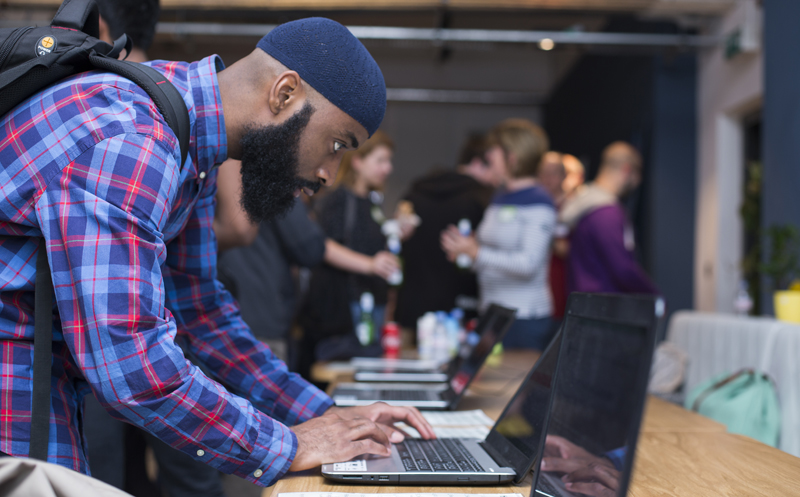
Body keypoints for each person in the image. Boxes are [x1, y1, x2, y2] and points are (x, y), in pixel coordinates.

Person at [0, 17, 435, 486]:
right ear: (284, 93)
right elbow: (130, 366)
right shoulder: (136, 140)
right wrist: (291, 445)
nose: (330, 173)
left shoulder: (185, 139)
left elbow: (202, 313)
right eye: (336, 145)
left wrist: (331, 416)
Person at [218, 196, 400, 361]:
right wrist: (370, 264)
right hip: (262, 317)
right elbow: (311, 247)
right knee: (265, 388)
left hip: (239, 313)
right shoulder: (276, 181)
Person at [441, 119, 556, 351]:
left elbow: (528, 264)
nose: (489, 157)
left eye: (494, 152)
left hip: (523, 319)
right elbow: (490, 256)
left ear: (512, 157)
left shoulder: (540, 203)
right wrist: (465, 251)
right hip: (492, 314)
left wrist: (476, 252)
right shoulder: (500, 197)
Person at [298, 131, 403, 376]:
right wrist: (370, 265)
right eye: (381, 161)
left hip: (367, 308)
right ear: (358, 162)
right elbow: (322, 246)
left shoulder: (372, 201)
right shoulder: (338, 199)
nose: (388, 168)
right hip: (341, 312)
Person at [394, 134, 495, 329]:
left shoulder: (415, 193)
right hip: (462, 305)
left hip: (413, 302)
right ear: (477, 163)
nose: (494, 178)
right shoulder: (481, 199)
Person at [559, 141, 659, 294]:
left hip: (582, 303)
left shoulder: (582, 202)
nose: (638, 181)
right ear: (627, 169)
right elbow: (622, 268)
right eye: (638, 174)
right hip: (604, 308)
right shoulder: (608, 213)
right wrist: (654, 296)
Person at [536, 151, 569, 329]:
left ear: (564, 176)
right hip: (534, 295)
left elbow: (570, 250)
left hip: (561, 292)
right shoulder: (531, 207)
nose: (548, 179)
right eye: (543, 173)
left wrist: (544, 236)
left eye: (553, 173)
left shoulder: (572, 209)